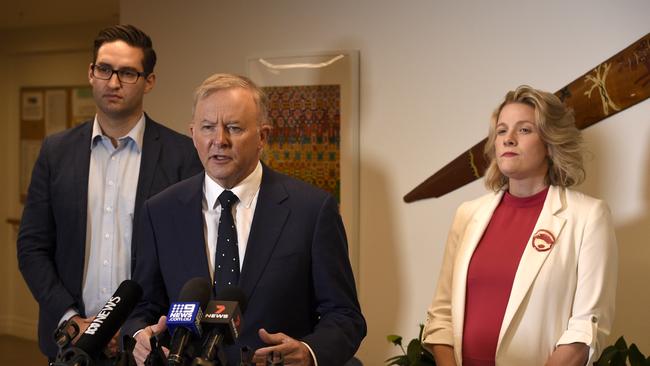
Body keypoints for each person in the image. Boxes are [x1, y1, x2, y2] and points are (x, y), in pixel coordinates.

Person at [122, 73, 366, 366]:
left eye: (234, 128)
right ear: (193, 134)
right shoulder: (160, 210)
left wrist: (308, 352)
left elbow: (344, 315)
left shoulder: (312, 210)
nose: (219, 141)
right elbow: (144, 306)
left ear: (263, 136)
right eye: (208, 128)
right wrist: (139, 336)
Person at [17, 24, 202, 361]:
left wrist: (136, 326)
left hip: (146, 344)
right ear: (91, 73)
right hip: (69, 342)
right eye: (104, 69)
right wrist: (70, 318)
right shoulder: (56, 152)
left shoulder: (183, 157)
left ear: (149, 81)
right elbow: (32, 246)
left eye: (128, 73)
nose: (113, 82)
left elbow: (188, 259)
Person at [422, 85, 617, 366]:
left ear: (551, 143)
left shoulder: (589, 216)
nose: (508, 139)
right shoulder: (467, 214)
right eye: (502, 131)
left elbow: (585, 329)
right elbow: (441, 315)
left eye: (524, 130)